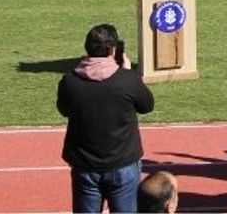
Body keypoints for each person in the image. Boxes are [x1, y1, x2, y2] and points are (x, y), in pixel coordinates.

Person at [57, 24, 155, 214]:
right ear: (113, 49)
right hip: (123, 164)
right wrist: (129, 74)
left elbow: (64, 110)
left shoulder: (69, 82)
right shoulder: (127, 80)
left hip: (85, 165)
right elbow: (147, 106)